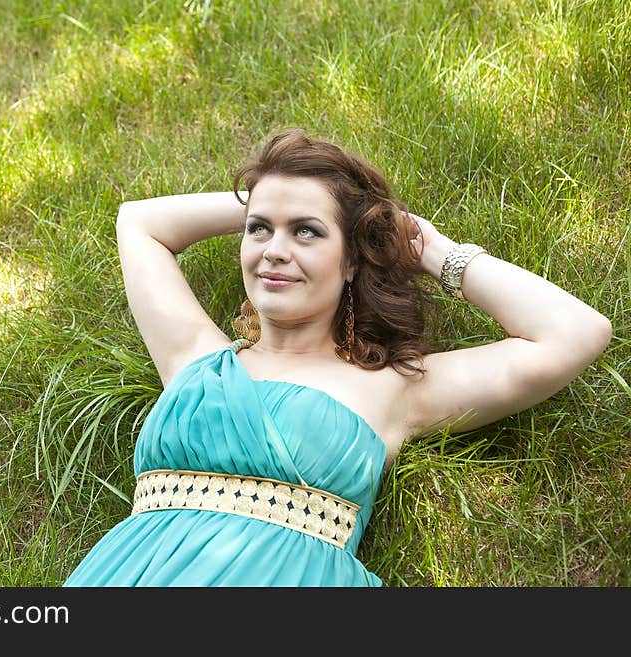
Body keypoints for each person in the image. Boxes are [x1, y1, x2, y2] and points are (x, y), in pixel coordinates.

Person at [62, 128, 612, 587]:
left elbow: (575, 333)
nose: (274, 249)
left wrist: (427, 247)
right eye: (260, 230)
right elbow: (139, 222)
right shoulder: (194, 359)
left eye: (307, 232)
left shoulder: (393, 388)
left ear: (351, 260)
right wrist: (270, 202)